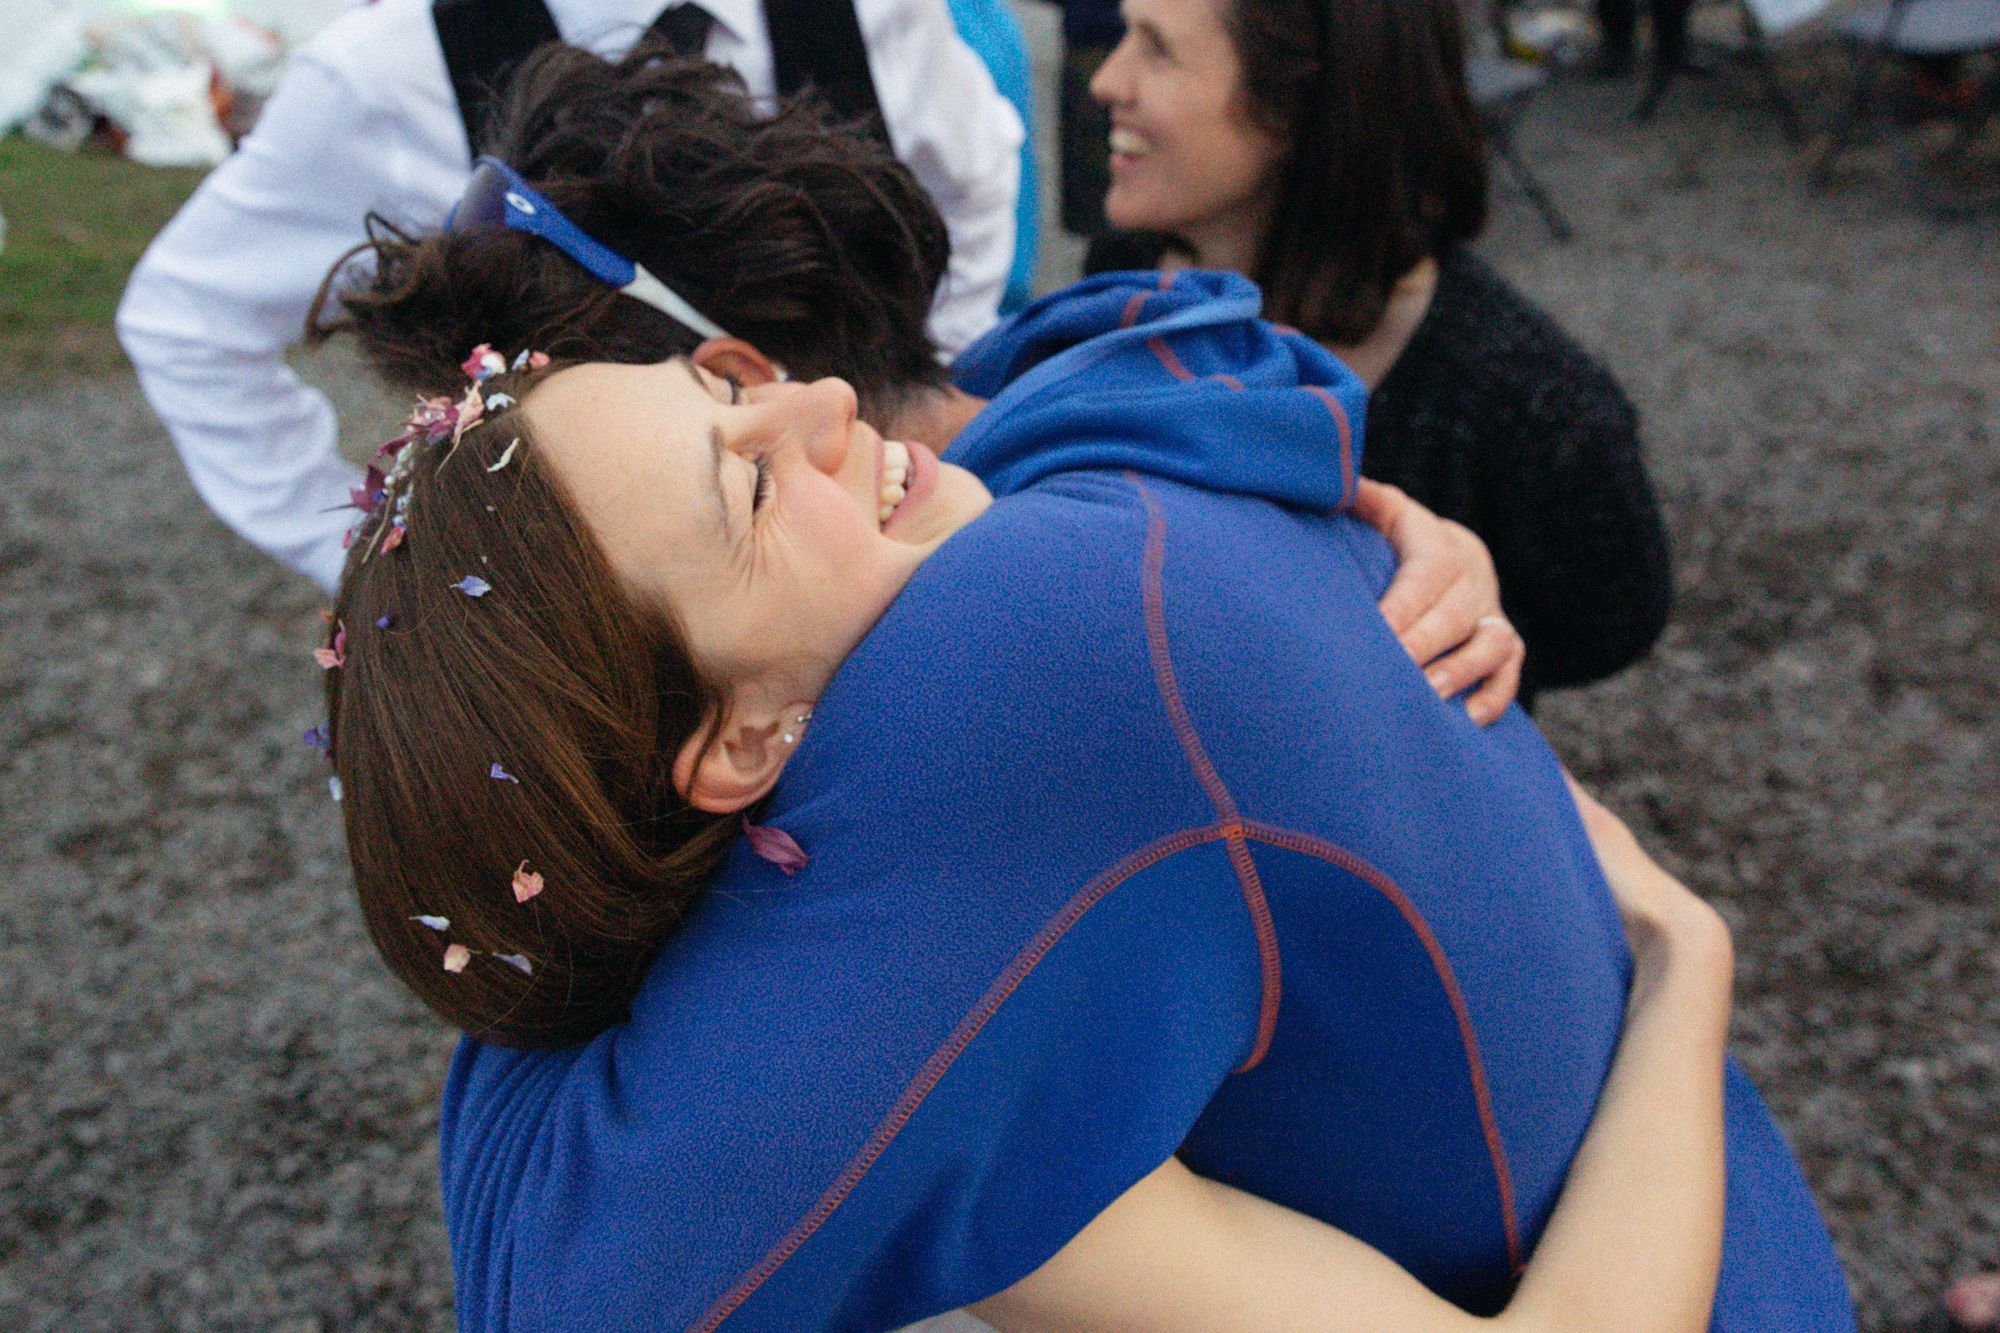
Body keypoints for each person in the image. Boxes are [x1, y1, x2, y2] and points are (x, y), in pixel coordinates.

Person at [309, 49, 1854, 1331]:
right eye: (747, 483)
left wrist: (1690, 956)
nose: (819, 408)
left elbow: (565, 1283)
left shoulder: (1031, 644)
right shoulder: (1120, 385)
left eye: (734, 385)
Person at [115, 0, 1023, 593]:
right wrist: (376, 556)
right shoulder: (384, 72)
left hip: (911, 553)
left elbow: (979, 162)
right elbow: (186, 318)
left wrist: (917, 379)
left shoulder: (873, 12)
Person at [1086, 0, 1675, 704]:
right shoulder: (1124, 283)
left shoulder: (1527, 404)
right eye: (1126, 34)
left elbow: (1614, 617)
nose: (1107, 80)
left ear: (1300, 108)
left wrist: (1459, 640)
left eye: (1158, 50)